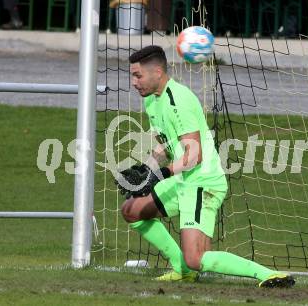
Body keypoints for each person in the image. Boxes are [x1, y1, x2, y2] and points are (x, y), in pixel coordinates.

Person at [115, 45, 295, 288]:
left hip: (201, 182)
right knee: (132, 210)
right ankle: (181, 270)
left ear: (157, 72)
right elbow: (166, 145)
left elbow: (194, 156)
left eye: (138, 75)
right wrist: (147, 170)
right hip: (182, 181)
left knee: (195, 258)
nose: (133, 82)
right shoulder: (152, 102)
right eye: (132, 75)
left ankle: (268, 274)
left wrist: (161, 174)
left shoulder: (178, 99)